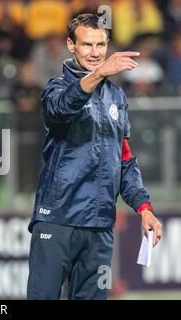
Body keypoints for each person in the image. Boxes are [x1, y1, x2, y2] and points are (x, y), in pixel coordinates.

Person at [27, 14, 163, 300]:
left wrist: (144, 207)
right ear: (71, 46)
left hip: (99, 226)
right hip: (57, 221)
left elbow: (124, 160)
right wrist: (100, 74)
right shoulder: (55, 88)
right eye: (87, 44)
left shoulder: (117, 97)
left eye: (101, 45)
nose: (95, 52)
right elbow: (62, 110)